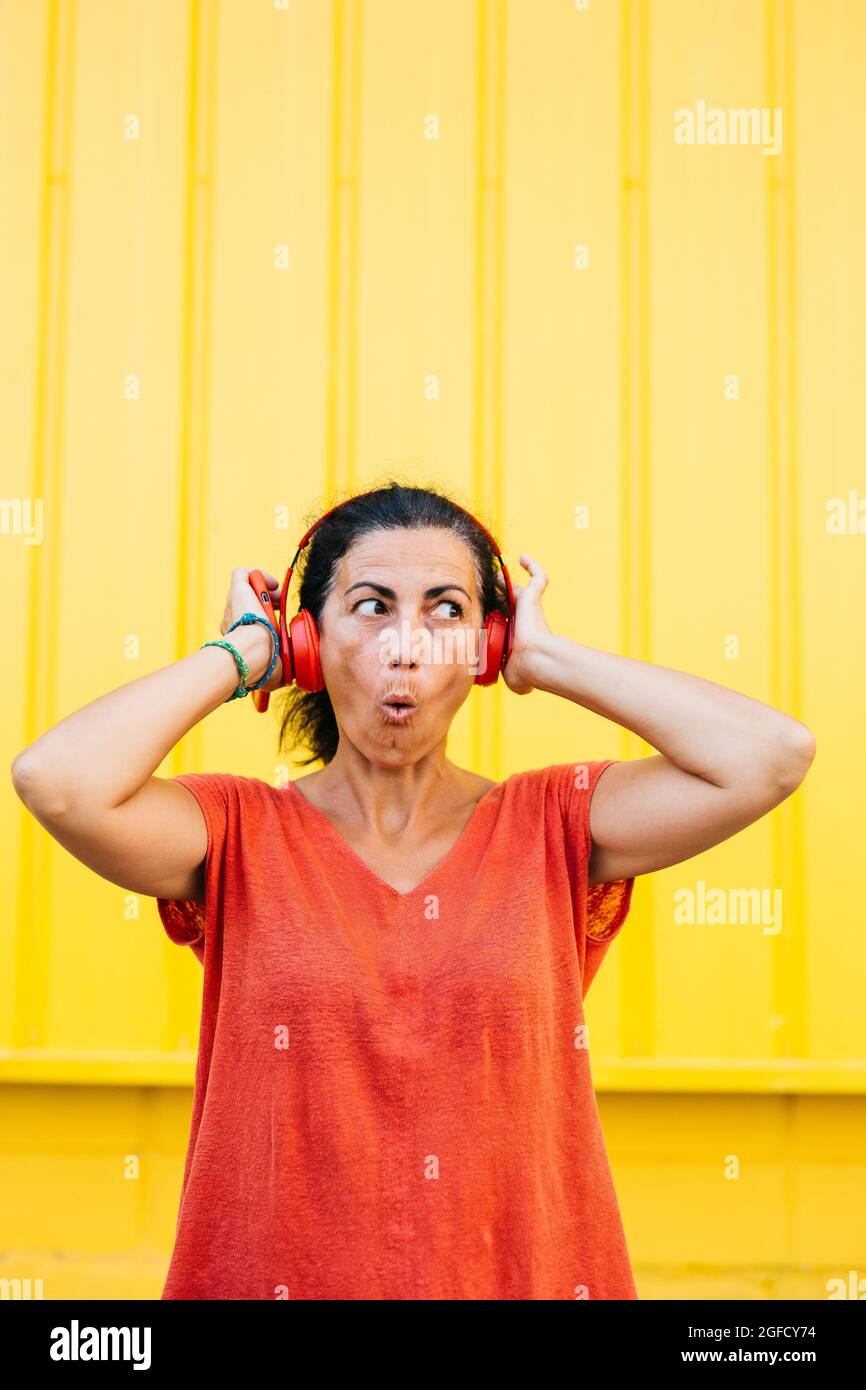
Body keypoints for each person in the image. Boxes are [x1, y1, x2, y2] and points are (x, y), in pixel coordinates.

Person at [10, 481, 816, 1300]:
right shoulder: (236, 831)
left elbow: (771, 755)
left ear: (486, 647)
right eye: (369, 606)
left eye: (446, 611)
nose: (407, 644)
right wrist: (247, 653)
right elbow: (58, 781)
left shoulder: (554, 822)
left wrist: (547, 659)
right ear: (311, 643)